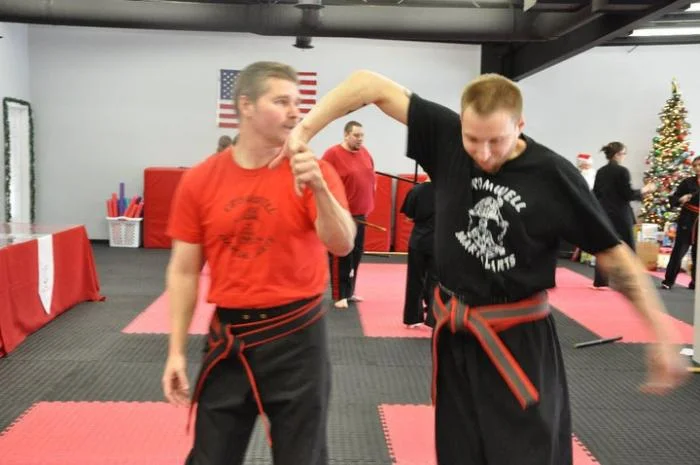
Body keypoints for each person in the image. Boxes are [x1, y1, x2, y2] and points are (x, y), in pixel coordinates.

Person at [273, 70, 688, 465]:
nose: (485, 154)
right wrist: (303, 133)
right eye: (473, 140)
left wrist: (659, 332)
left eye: (497, 141)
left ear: (520, 124)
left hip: (519, 341)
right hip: (456, 334)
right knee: (459, 452)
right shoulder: (447, 137)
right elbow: (368, 84)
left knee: (527, 453)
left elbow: (615, 256)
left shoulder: (553, 175)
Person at [162, 61, 356, 465]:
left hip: (298, 336)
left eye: (297, 102)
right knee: (210, 457)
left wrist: (320, 189)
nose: (295, 112)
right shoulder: (200, 180)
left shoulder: (312, 171)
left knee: (302, 457)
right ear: (246, 106)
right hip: (230, 336)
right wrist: (175, 351)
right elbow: (183, 271)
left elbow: (342, 244)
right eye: (281, 101)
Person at [321, 121, 376, 309]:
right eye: (356, 135)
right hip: (343, 214)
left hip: (362, 214)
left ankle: (350, 291)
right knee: (341, 254)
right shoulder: (332, 154)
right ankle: (339, 295)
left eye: (362, 135)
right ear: (346, 135)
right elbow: (323, 181)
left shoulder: (365, 153)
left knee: (356, 254)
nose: (360, 139)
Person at [592, 142, 656, 289]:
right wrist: (645, 189)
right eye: (624, 153)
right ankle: (634, 280)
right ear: (617, 154)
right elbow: (627, 194)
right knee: (628, 246)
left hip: (604, 212)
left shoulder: (601, 171)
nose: (625, 157)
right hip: (620, 213)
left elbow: (595, 193)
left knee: (604, 246)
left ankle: (600, 281)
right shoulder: (622, 171)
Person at [400, 177, 437, 329]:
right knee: (436, 281)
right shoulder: (448, 191)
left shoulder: (416, 190)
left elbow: (408, 217)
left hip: (419, 241)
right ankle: (434, 319)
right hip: (439, 242)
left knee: (415, 279)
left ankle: (412, 318)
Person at [662, 155, 700, 290]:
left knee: (698, 255)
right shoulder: (687, 182)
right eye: (695, 165)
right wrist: (681, 199)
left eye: (699, 165)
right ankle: (668, 280)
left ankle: (696, 282)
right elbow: (674, 198)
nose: (697, 168)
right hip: (688, 219)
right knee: (679, 251)